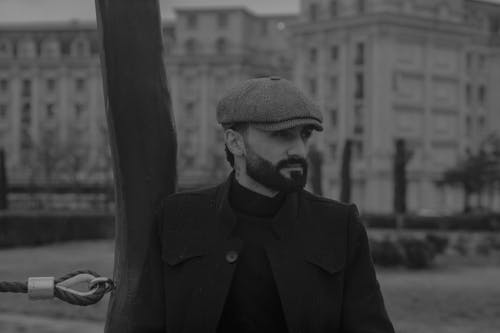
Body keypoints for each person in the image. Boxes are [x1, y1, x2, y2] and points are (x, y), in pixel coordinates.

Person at [135, 76, 395, 333]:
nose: (299, 151)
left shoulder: (339, 226)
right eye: (281, 135)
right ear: (235, 142)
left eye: (304, 136)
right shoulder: (177, 217)